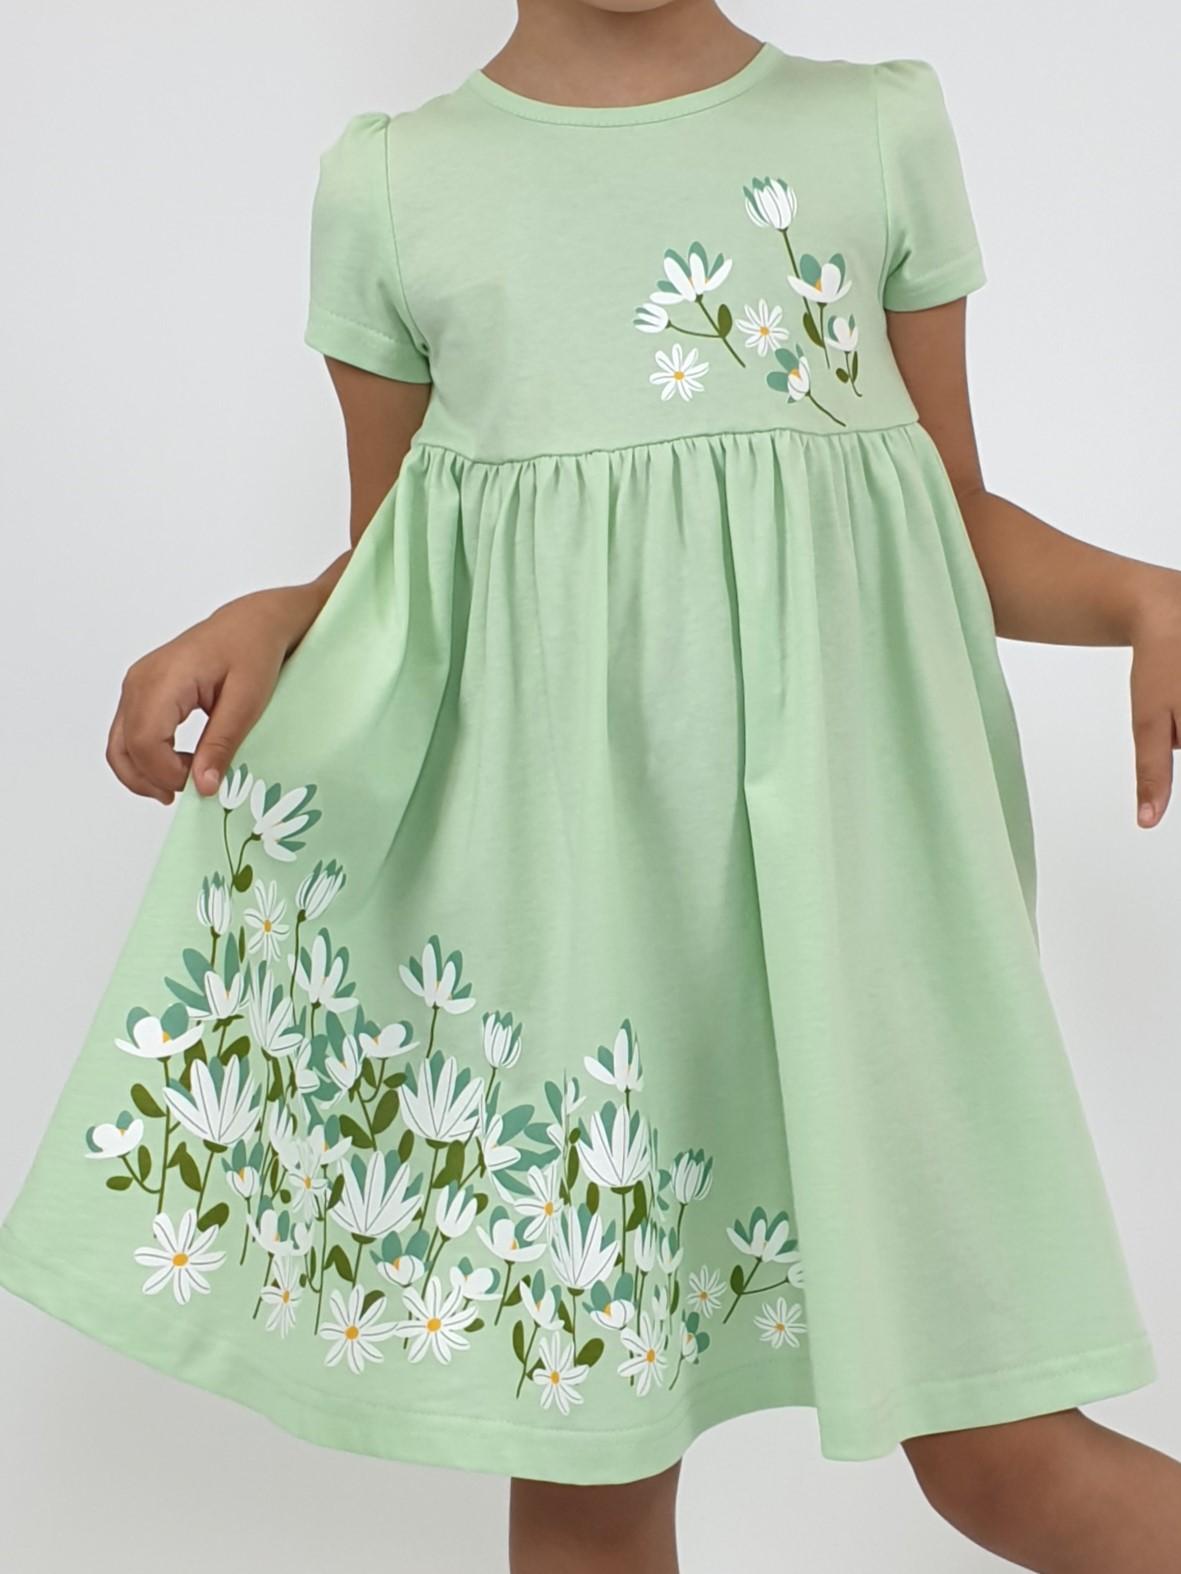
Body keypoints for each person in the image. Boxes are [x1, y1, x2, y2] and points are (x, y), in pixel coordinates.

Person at [2, 1, 1179, 1569]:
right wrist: (276, 614)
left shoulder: (870, 131)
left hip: (856, 892)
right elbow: (410, 560)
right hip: (575, 918)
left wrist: (1143, 597)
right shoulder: (396, 184)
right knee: (590, 1464)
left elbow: (945, 516)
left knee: (997, 1449)